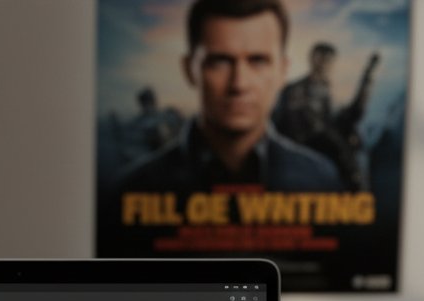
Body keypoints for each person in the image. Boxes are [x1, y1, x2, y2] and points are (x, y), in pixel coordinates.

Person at [120, 0, 342, 193]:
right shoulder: (133, 190)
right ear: (189, 69)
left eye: (258, 61)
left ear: (282, 71)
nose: (239, 84)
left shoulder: (321, 180)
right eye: (220, 62)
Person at [275, 43, 379, 189]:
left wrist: (367, 78)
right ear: (312, 59)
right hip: (304, 146)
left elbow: (351, 115)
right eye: (322, 59)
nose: (325, 64)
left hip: (327, 144)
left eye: (329, 61)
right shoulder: (295, 90)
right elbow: (302, 124)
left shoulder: (328, 91)